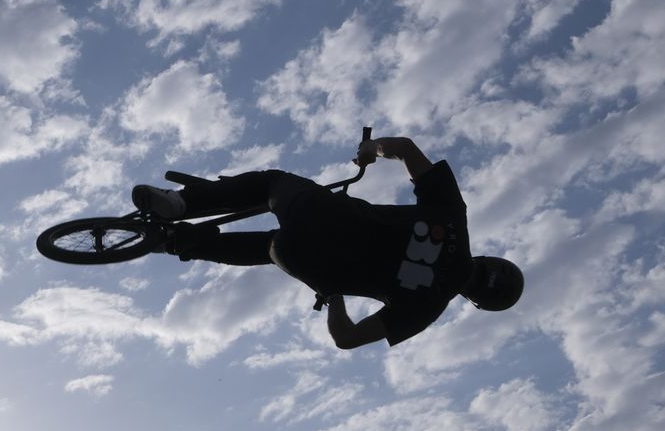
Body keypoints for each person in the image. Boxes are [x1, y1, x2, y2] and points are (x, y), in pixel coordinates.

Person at [131, 136, 523, 349]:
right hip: (310, 263)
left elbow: (403, 147)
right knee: (268, 249)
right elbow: (346, 339)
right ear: (475, 301)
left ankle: (180, 204)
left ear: (490, 259)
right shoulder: (426, 309)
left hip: (321, 214)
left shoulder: (452, 218)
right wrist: (332, 293)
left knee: (271, 184)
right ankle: (171, 243)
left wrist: (370, 150)